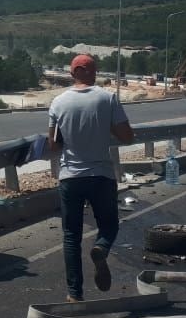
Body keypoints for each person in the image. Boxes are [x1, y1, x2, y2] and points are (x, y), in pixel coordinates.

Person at [47, 54, 134, 302]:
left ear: (73, 73)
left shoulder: (58, 102)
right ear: (93, 72)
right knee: (109, 225)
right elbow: (127, 136)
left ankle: (75, 294)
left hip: (70, 177)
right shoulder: (108, 98)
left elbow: (53, 145)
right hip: (101, 176)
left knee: (71, 236)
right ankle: (101, 248)